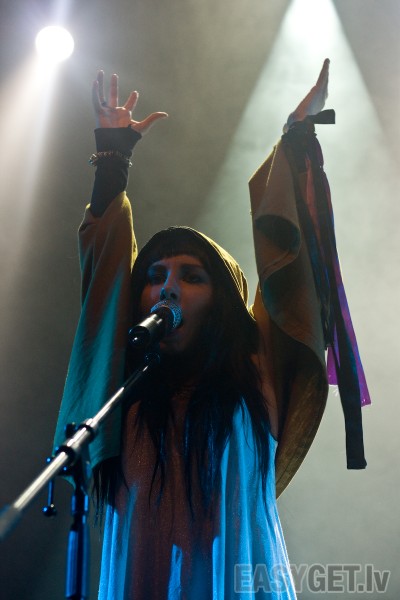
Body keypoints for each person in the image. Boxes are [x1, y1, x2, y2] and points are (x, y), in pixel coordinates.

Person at [54, 60, 369, 599]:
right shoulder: (122, 389)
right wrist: (111, 163)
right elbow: (103, 284)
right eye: (155, 277)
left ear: (222, 302)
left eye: (191, 277)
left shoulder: (258, 372)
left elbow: (291, 272)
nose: (168, 289)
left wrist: (295, 137)